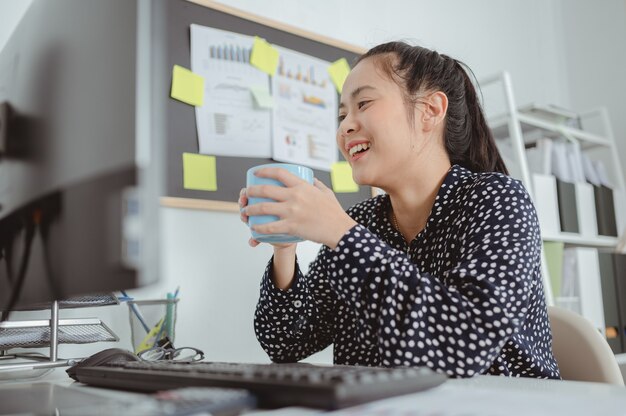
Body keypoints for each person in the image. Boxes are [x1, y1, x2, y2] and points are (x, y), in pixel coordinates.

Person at [239, 41, 560, 379]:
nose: (345, 126)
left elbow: (464, 346)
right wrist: (285, 247)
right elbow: (285, 342)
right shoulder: (362, 222)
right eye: (342, 114)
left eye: (363, 103)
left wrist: (340, 234)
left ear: (431, 111)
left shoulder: (497, 200)